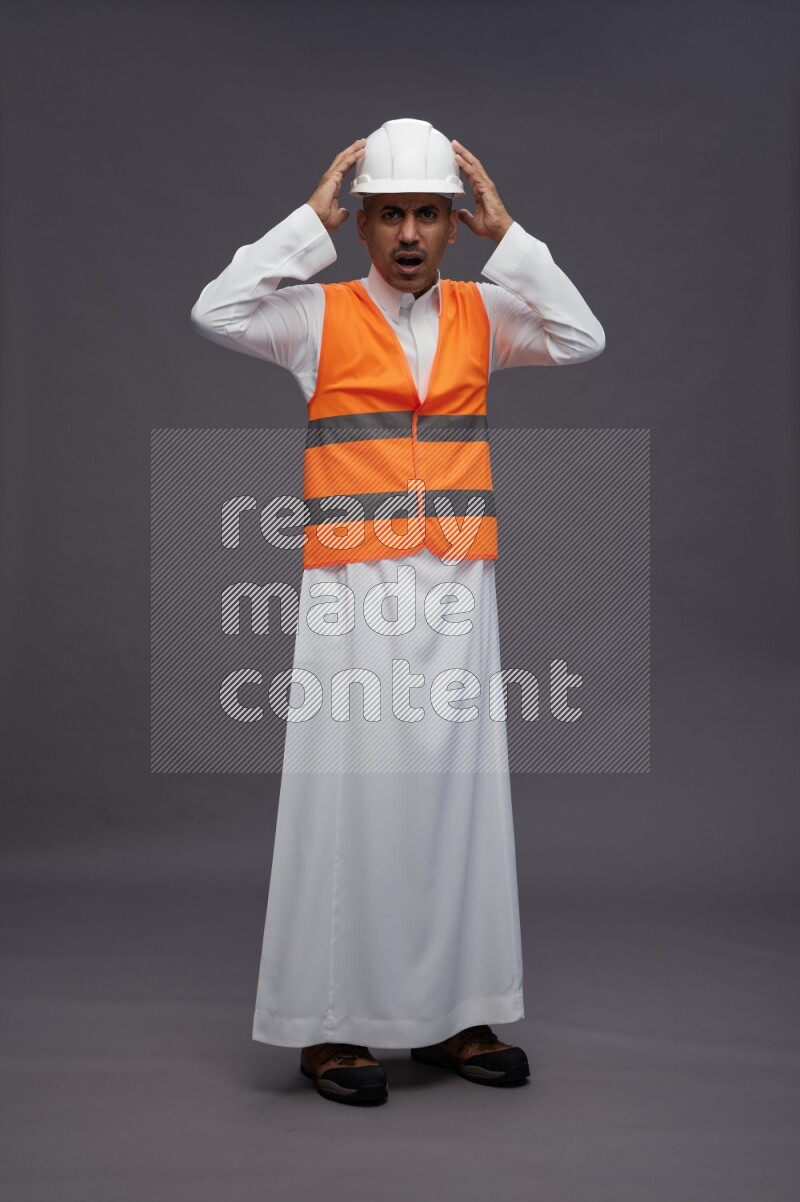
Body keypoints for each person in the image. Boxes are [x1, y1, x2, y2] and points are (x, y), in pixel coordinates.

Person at [191, 118, 605, 1106]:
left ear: (453, 225)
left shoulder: (484, 312)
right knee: (348, 799)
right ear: (364, 223)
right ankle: (329, 1026)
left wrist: (510, 236)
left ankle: (457, 1010)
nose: (409, 233)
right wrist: (309, 224)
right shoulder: (315, 317)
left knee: (459, 798)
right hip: (352, 593)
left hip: (458, 588)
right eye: (388, 215)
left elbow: (582, 336)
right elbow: (215, 310)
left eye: (427, 213)